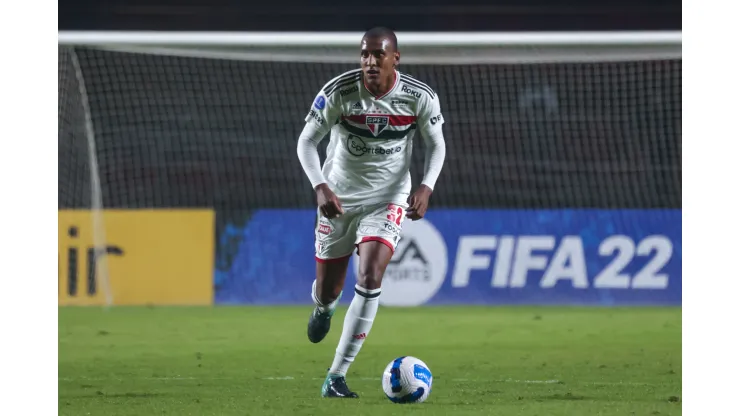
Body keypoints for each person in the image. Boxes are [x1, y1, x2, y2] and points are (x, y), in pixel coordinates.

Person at [296, 26, 446, 398]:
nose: (369, 61)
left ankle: (336, 375)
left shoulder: (418, 96)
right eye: (365, 54)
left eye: (378, 54)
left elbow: (437, 145)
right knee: (330, 290)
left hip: (388, 199)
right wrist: (320, 186)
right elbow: (306, 142)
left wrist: (426, 186)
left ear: (395, 58)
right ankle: (323, 308)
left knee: (371, 275)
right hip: (338, 201)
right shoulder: (339, 92)